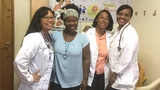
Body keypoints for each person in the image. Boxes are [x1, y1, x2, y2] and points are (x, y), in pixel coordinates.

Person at [49, 4, 90, 90]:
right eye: (68, 21)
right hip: (56, 82)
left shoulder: (83, 39)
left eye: (74, 20)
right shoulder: (55, 35)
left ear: (78, 21)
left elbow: (86, 59)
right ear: (64, 21)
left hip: (76, 82)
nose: (72, 23)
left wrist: (85, 79)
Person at [13, 6, 55, 90]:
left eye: (52, 17)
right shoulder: (34, 37)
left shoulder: (47, 37)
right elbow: (19, 61)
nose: (50, 20)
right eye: (46, 17)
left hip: (42, 84)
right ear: (38, 20)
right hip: (33, 85)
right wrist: (29, 78)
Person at [107, 4, 139, 90]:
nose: (122, 17)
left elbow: (126, 56)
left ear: (130, 17)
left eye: (126, 15)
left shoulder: (130, 33)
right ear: (116, 15)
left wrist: (115, 74)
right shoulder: (119, 30)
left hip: (124, 81)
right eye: (120, 14)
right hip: (117, 79)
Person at [83, 10, 113, 90]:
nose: (104, 20)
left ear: (109, 22)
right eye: (101, 17)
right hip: (88, 75)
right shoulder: (87, 34)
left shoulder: (111, 37)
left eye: (107, 19)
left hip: (102, 76)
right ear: (96, 19)